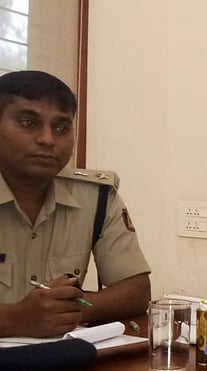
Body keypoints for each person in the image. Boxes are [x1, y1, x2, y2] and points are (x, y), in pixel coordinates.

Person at [0, 70, 151, 338]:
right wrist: (16, 319)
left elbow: (136, 290)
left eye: (61, 128)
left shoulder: (96, 196)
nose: (47, 139)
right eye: (28, 122)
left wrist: (67, 311)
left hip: (64, 359)